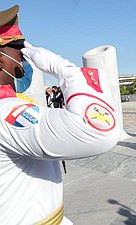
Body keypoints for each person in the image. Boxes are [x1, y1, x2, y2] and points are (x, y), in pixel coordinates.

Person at [0, 5, 120, 225]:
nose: (25, 60)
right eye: (20, 50)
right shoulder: (6, 114)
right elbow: (99, 131)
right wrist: (64, 68)